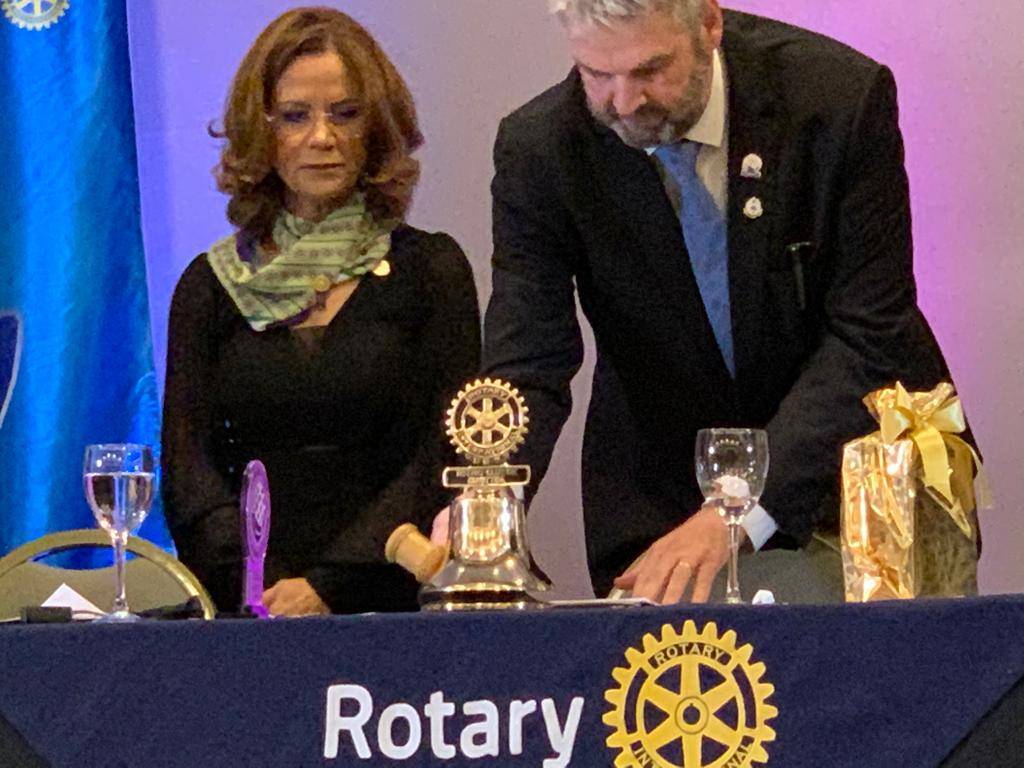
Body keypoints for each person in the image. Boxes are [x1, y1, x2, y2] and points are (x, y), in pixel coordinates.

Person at [476, 0, 960, 603]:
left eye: (651, 70)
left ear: (709, 24)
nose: (623, 103)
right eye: (596, 74)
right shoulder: (540, 147)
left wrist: (737, 509)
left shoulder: (835, 99)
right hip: (664, 503)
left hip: (853, 489)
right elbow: (529, 355)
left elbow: (869, 334)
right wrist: (486, 499)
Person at [162, 7, 480, 616]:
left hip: (392, 601)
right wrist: (258, 585)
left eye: (346, 113)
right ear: (260, 131)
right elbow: (189, 469)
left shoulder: (431, 270)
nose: (322, 137)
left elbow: (443, 453)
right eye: (294, 116)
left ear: (377, 126)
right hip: (251, 608)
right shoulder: (210, 286)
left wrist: (331, 587)